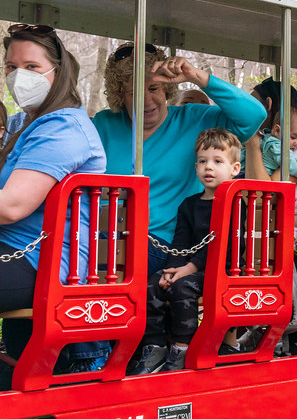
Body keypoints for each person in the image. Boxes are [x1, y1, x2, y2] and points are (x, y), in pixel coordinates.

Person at [93, 43, 265, 274]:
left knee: (106, 265)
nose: (147, 100)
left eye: (154, 88)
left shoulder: (195, 118)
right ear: (120, 95)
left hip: (160, 243)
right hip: (97, 236)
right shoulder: (104, 123)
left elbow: (254, 116)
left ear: (167, 89)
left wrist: (199, 78)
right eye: (135, 92)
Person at [0, 24, 106, 386]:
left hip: (38, 261)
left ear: (56, 73)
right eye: (11, 67)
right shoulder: (23, 124)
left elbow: (12, 205)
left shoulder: (63, 128)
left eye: (31, 67)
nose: (18, 77)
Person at [129, 129, 242, 374]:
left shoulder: (235, 203)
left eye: (217, 161)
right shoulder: (189, 204)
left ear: (234, 168)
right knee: (152, 284)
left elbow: (225, 246)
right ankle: (155, 345)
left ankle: (182, 347)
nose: (208, 167)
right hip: (190, 267)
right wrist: (170, 270)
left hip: (224, 268)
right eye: (202, 161)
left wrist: (187, 270)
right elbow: (180, 242)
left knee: (183, 287)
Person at [245, 77, 297, 209]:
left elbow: (262, 197)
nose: (246, 111)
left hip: (293, 227)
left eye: (251, 105)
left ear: (268, 104)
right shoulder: (265, 141)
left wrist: (252, 141)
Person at [258, 109, 297, 181]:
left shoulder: (266, 139)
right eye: (293, 137)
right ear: (277, 130)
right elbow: (288, 163)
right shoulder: (277, 146)